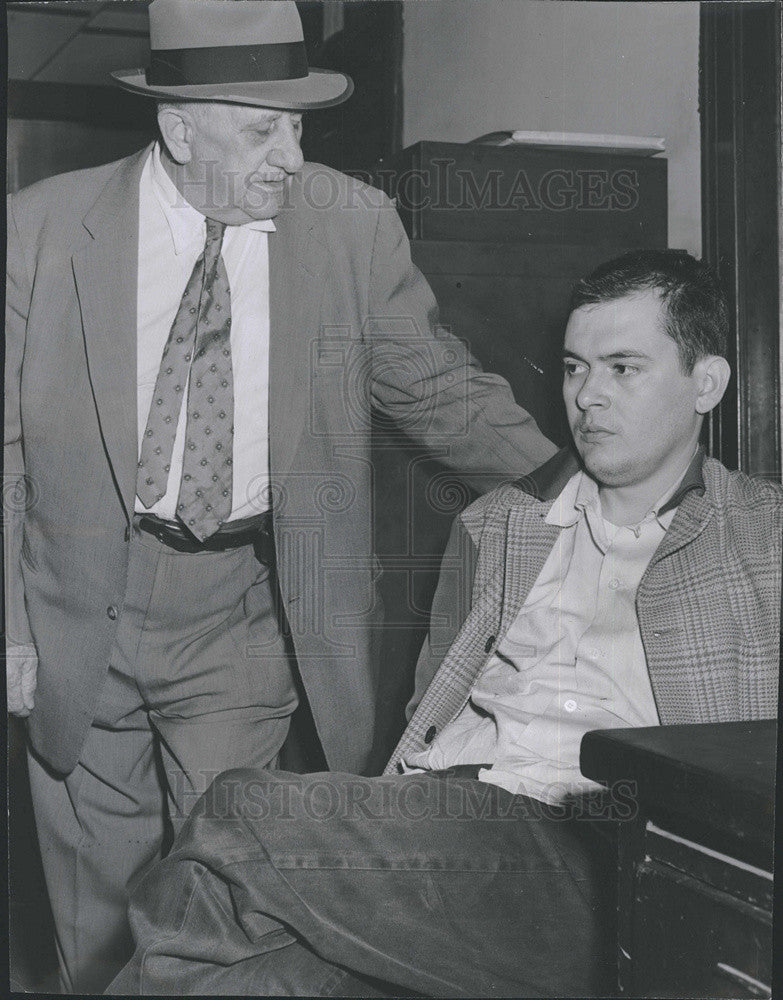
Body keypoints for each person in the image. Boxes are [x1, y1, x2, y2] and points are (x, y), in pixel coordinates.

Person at [4, 0, 558, 992]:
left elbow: (434, 386)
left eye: (299, 126)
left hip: (240, 615)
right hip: (77, 606)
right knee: (94, 924)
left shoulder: (348, 225)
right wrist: (8, 625)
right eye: (265, 128)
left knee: (225, 895)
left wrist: (572, 487)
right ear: (181, 128)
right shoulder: (42, 230)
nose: (292, 157)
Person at [108, 249, 782, 997]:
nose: (587, 396)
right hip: (447, 824)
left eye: (622, 368)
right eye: (572, 367)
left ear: (706, 383)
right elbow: (429, 709)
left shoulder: (761, 539)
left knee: (240, 807)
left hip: (605, 854)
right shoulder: (494, 525)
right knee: (260, 983)